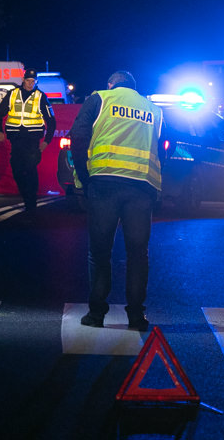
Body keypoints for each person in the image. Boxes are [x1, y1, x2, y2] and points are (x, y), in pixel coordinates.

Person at [69, 71, 163, 332]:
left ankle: (96, 313)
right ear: (134, 88)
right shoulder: (153, 109)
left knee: (100, 252)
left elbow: (77, 138)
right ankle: (136, 317)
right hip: (141, 187)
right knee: (137, 254)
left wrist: (84, 178)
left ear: (111, 84)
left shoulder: (100, 99)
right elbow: (164, 146)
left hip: (104, 184)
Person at [0, 68, 56, 211]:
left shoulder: (41, 97)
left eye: (33, 81)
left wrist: (47, 140)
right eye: (28, 80)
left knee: (30, 168)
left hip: (32, 141)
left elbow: (51, 121)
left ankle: (31, 202)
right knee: (17, 169)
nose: (30, 84)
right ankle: (26, 195)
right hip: (16, 140)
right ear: (23, 80)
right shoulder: (12, 94)